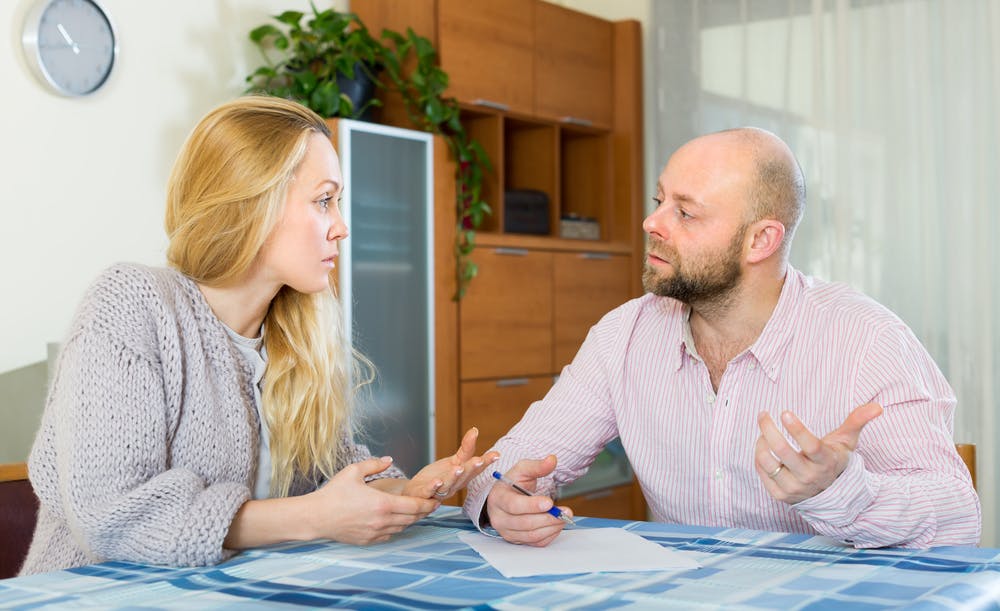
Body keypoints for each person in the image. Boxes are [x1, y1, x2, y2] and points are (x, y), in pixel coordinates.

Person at [20, 96, 497, 575]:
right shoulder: (131, 304)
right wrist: (314, 519)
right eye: (324, 200)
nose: (341, 227)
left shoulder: (293, 336)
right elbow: (113, 518)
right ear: (253, 204)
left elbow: (331, 477)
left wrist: (405, 490)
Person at [464, 127, 981, 549]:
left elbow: (957, 515)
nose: (651, 222)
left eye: (685, 212)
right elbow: (506, 466)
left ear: (761, 240)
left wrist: (840, 490)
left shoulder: (867, 339)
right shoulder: (624, 334)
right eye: (659, 200)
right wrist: (500, 499)